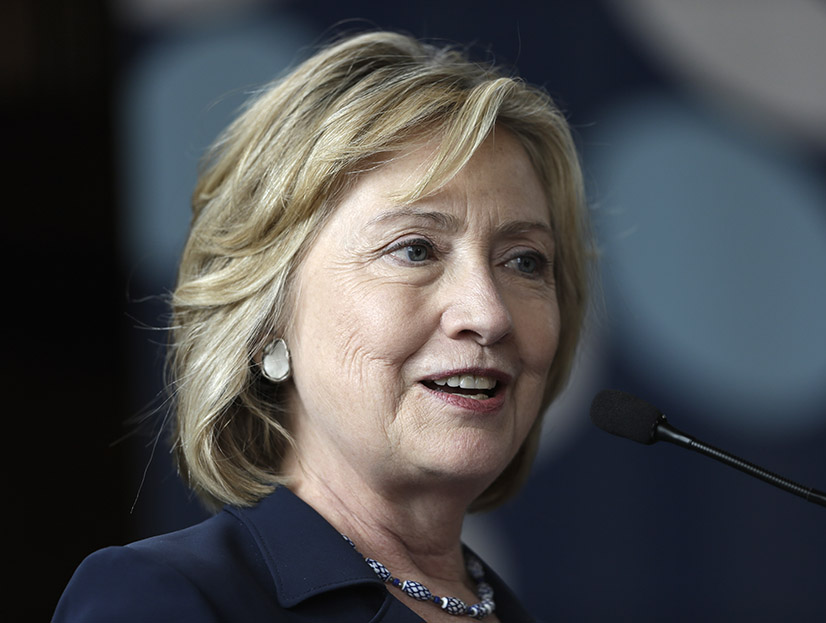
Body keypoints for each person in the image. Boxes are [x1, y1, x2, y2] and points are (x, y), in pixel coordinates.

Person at [53, 29, 592, 622]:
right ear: (267, 315)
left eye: (524, 261)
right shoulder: (162, 599)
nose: (488, 314)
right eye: (415, 250)